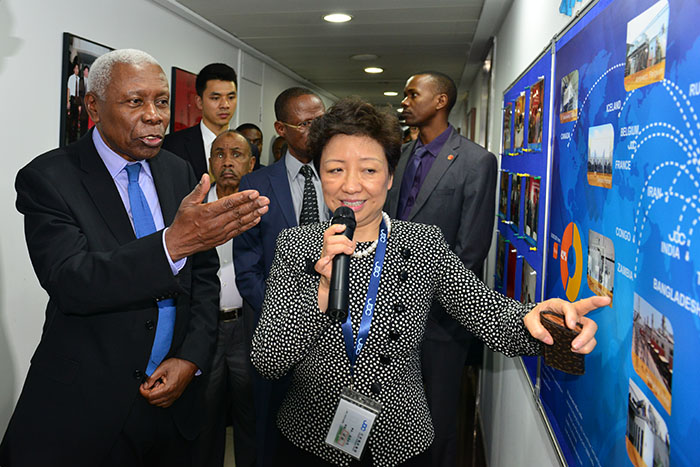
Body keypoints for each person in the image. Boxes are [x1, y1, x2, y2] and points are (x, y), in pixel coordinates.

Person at [250, 97, 607, 466]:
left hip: (400, 438)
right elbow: (268, 360)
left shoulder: (422, 243)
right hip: (312, 437)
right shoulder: (297, 246)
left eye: (369, 170)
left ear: (390, 177)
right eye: (335, 169)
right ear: (320, 174)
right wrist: (322, 292)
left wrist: (537, 319)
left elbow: (486, 311)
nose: (351, 185)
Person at [0, 49, 269, 467]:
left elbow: (204, 278)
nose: (154, 116)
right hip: (88, 406)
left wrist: (190, 358)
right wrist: (171, 246)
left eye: (162, 101)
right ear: (93, 106)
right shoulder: (49, 178)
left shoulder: (178, 171)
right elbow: (72, 281)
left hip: (175, 405)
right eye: (135, 101)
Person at [385, 71, 496, 466]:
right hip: (391, 314)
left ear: (440, 101)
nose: (405, 102)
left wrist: (423, 299)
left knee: (438, 422)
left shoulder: (476, 161)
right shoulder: (400, 157)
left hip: (441, 319)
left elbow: (471, 249)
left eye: (413, 94)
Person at [233, 87, 326, 466]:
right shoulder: (255, 185)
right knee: (272, 434)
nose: (316, 130)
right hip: (276, 332)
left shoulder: (342, 180)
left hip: (334, 331)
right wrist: (285, 315)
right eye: (305, 124)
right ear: (281, 129)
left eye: (321, 121)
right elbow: (247, 269)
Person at [192, 130, 258, 466]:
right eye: (219, 154)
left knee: (251, 416)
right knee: (205, 416)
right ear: (210, 162)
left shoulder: (261, 207)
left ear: (251, 163)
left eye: (236, 154)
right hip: (205, 329)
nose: (228, 162)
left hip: (248, 327)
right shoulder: (194, 208)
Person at [162, 63, 238, 179]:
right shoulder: (171, 145)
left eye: (231, 97)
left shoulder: (248, 148)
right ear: (199, 102)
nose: (225, 105)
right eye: (216, 98)